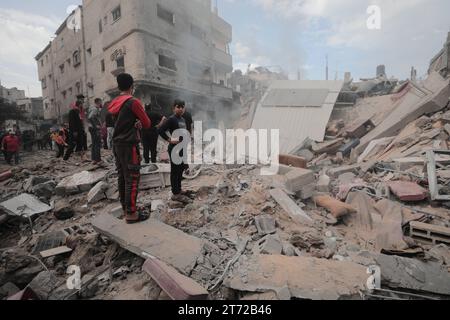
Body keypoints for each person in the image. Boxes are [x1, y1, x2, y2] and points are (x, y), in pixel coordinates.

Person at [108, 73, 151, 224]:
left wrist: (134, 122)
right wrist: (138, 122)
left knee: (122, 177)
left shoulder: (114, 103)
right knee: (132, 178)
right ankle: (131, 214)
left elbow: (121, 123)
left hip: (117, 144)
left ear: (118, 86)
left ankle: (126, 208)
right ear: (132, 86)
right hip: (129, 145)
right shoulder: (133, 102)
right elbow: (147, 123)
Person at [158, 100, 192, 204]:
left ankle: (179, 189)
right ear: (174, 108)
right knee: (175, 170)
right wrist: (170, 140)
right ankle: (175, 194)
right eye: (178, 107)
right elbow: (160, 130)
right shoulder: (171, 119)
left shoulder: (182, 119)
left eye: (182, 107)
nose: (181, 109)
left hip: (182, 147)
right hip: (174, 149)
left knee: (181, 168)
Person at [88, 98, 103, 164]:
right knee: (97, 143)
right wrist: (96, 126)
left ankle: (94, 159)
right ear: (98, 102)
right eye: (101, 102)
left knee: (94, 144)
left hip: (91, 128)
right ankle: (98, 159)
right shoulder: (95, 109)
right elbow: (90, 117)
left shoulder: (92, 108)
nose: (101, 104)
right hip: (94, 129)